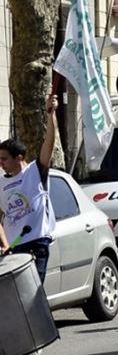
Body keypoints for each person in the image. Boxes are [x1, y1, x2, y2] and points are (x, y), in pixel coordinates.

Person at [0, 94, 58, 282]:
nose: (1, 164)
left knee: (34, 290)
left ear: (19, 158)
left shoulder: (35, 172)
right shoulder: (1, 184)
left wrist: (51, 114)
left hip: (37, 242)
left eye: (4, 159)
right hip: (14, 248)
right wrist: (4, 243)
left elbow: (49, 143)